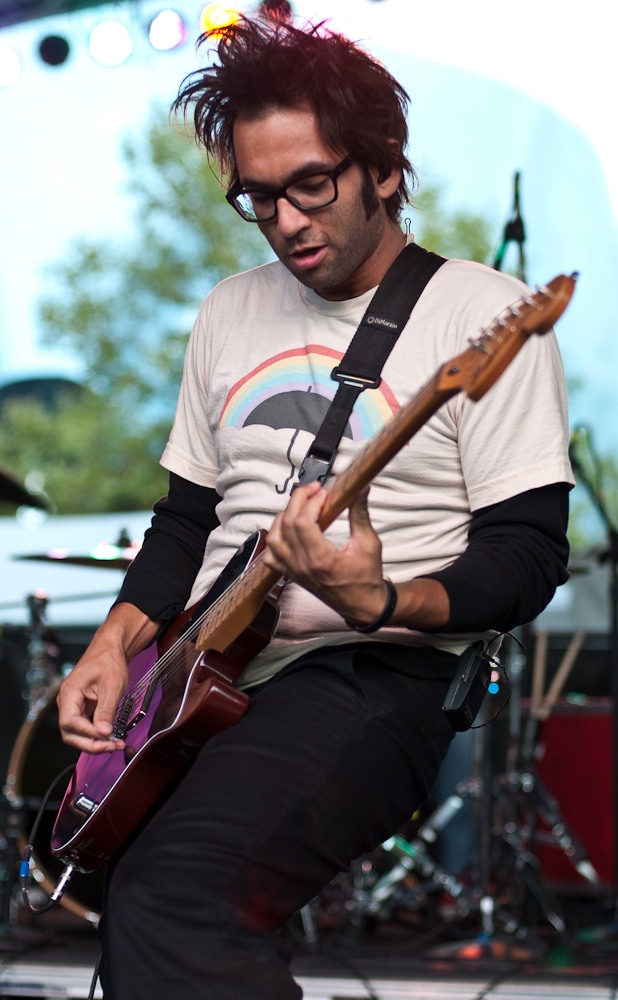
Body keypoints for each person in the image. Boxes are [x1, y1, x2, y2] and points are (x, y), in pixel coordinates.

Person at [57, 17, 573, 1000]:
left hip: (377, 675)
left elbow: (525, 558)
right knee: (133, 894)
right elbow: (183, 520)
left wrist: (380, 595)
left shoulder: (476, 315)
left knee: (181, 891)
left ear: (382, 166)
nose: (287, 218)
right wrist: (115, 644)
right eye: (258, 196)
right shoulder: (226, 311)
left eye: (312, 183)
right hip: (205, 666)